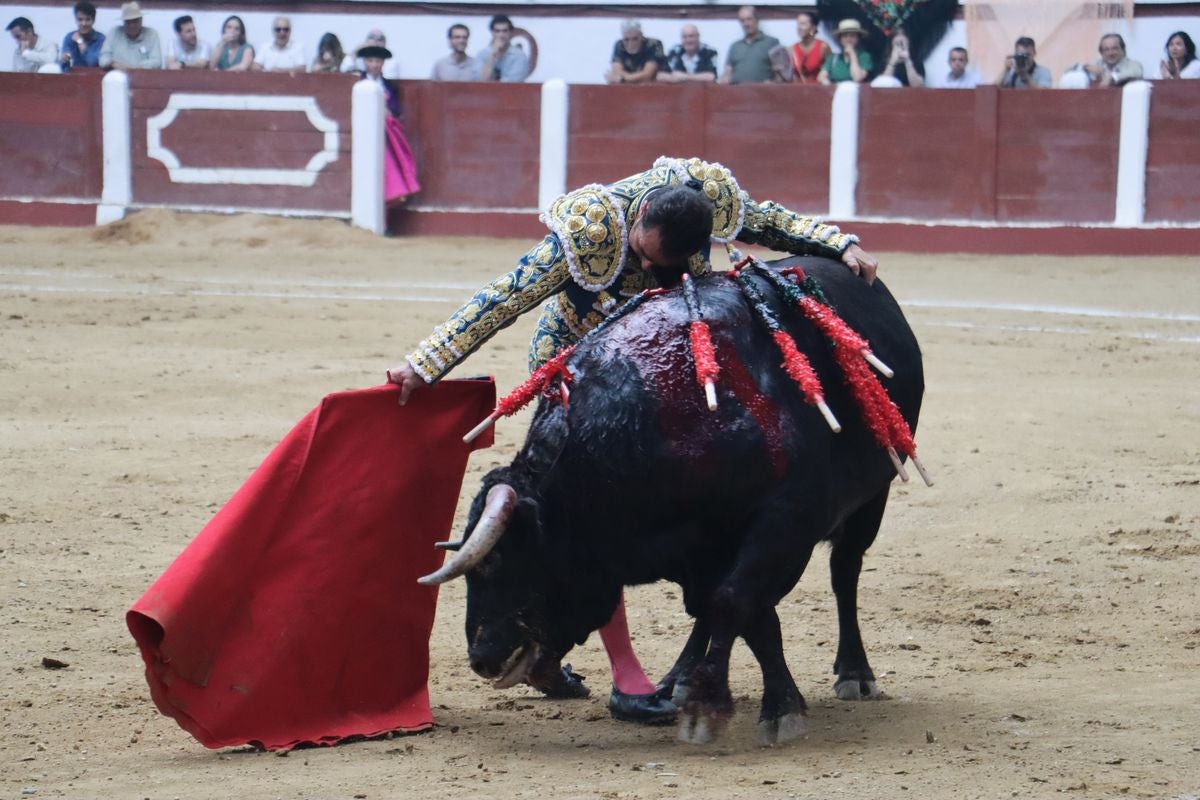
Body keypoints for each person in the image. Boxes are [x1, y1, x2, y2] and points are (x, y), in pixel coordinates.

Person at [386, 157, 879, 722]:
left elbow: (766, 221)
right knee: (579, 516)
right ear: (639, 216)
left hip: (666, 372)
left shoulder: (709, 200)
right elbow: (503, 297)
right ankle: (624, 673)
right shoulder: (593, 228)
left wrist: (839, 244)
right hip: (574, 368)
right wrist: (426, 363)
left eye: (661, 264)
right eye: (643, 256)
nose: (647, 266)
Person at [359, 45, 420, 207]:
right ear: (364, 62)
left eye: (377, 61)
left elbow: (394, 111)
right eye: (370, 60)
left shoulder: (390, 87)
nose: (373, 65)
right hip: (361, 138)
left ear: (383, 63)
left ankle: (386, 219)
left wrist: (388, 111)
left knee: (387, 176)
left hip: (385, 139)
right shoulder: (356, 82)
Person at [719, 6, 782, 84]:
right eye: (742, 20)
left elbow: (782, 74)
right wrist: (724, 79)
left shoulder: (772, 43)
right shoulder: (735, 46)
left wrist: (773, 83)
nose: (746, 24)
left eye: (749, 19)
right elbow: (727, 72)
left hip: (763, 93)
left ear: (757, 20)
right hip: (736, 94)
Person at [98, 2, 161, 70]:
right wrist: (115, 64)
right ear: (123, 22)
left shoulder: (151, 34)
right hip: (117, 76)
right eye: (128, 21)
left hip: (143, 76)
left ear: (141, 20)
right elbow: (103, 59)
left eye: (135, 21)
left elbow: (156, 62)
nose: (132, 25)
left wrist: (134, 69)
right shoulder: (114, 32)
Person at [606, 20, 667, 84]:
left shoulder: (654, 44)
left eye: (635, 39)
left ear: (641, 36)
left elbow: (647, 74)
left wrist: (623, 80)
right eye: (626, 40)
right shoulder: (619, 45)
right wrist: (627, 79)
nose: (631, 44)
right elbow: (616, 71)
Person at [477, 14, 529, 82]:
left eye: (505, 31)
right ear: (492, 33)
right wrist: (492, 55)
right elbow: (481, 80)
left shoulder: (519, 56)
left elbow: (513, 83)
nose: (501, 35)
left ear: (510, 32)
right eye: (497, 31)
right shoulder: (482, 54)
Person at [819, 19, 872, 84]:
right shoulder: (833, 57)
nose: (848, 39)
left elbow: (857, 78)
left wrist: (852, 55)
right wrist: (826, 81)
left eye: (852, 36)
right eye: (845, 36)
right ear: (840, 39)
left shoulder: (864, 56)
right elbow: (821, 76)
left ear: (858, 38)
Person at [58, 2, 104, 72]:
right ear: (75, 20)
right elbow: (63, 68)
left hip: (95, 77)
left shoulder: (101, 39)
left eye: (88, 19)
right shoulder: (70, 37)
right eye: (80, 19)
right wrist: (65, 60)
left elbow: (92, 63)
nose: (84, 24)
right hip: (74, 77)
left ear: (94, 20)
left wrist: (80, 42)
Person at [790, 11, 830, 84]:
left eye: (803, 24)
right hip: (797, 90)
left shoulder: (823, 47)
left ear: (813, 28)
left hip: (818, 90)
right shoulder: (792, 48)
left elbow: (830, 70)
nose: (799, 27)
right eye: (798, 24)